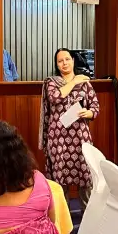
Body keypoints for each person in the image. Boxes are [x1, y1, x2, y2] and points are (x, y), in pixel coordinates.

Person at [39, 48, 99, 207]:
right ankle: (62, 216)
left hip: (80, 136)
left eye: (67, 59)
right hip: (58, 137)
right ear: (56, 65)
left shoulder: (84, 83)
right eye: (60, 61)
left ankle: (88, 215)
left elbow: (95, 106)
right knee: (60, 179)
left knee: (85, 176)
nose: (64, 63)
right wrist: (73, 82)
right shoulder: (51, 82)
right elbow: (55, 98)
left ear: (73, 60)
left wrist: (89, 113)